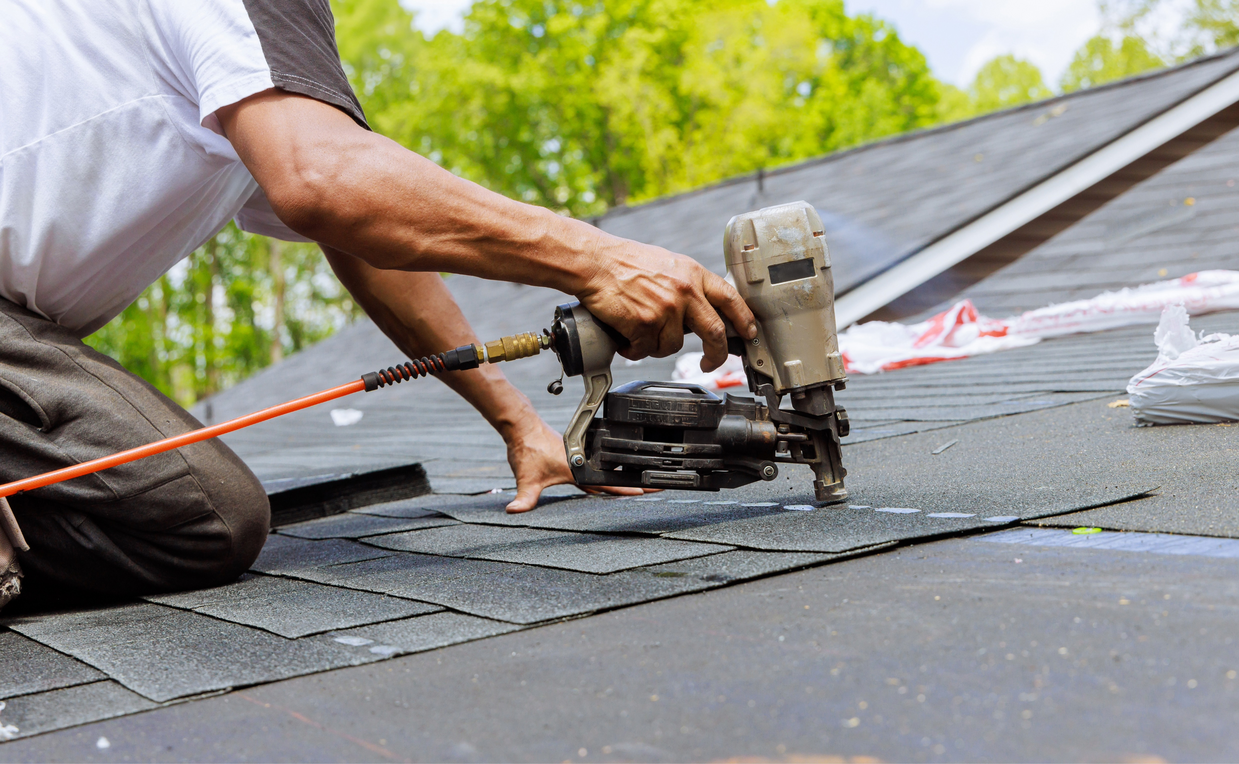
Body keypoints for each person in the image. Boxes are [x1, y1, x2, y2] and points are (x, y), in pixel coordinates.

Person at [0, 0, 755, 612]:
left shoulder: (255, 65)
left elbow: (362, 235)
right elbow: (323, 178)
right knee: (201, 516)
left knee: (195, 511)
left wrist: (519, 425)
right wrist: (599, 261)